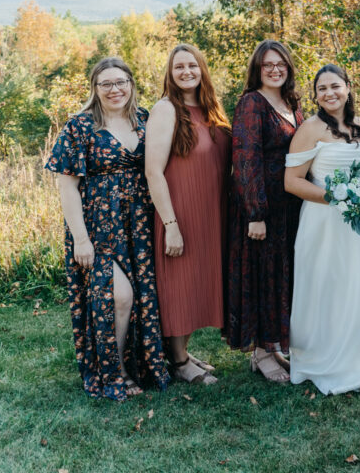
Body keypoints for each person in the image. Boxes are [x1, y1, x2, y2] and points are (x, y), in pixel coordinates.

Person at [45, 56, 170, 400]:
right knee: (119, 296)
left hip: (141, 224)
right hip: (97, 227)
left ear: (131, 84)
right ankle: (114, 372)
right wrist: (80, 240)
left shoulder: (146, 120)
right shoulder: (80, 126)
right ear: (95, 89)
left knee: (143, 298)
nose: (115, 90)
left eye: (121, 82)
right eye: (106, 84)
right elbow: (67, 186)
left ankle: (146, 362)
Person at [284, 64, 360, 401]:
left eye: (335, 86)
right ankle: (326, 356)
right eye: (322, 89)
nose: (329, 94)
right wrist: (335, 197)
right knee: (330, 287)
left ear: (348, 87)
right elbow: (292, 181)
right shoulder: (308, 129)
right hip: (325, 223)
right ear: (315, 95)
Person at [145, 44, 231, 386]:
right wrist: (171, 226)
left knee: (197, 283)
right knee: (178, 283)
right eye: (179, 66)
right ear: (170, 72)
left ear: (202, 69)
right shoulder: (166, 109)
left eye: (192, 65)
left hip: (211, 211)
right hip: (180, 210)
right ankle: (178, 363)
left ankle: (183, 353)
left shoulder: (210, 108)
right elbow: (153, 172)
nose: (186, 72)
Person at [225, 40, 304, 383]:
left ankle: (273, 345)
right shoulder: (251, 104)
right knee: (261, 275)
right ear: (257, 69)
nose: (275, 70)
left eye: (281, 64)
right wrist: (255, 212)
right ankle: (259, 353)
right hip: (262, 206)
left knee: (281, 275)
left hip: (290, 205)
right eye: (267, 65)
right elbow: (245, 159)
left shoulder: (292, 102)